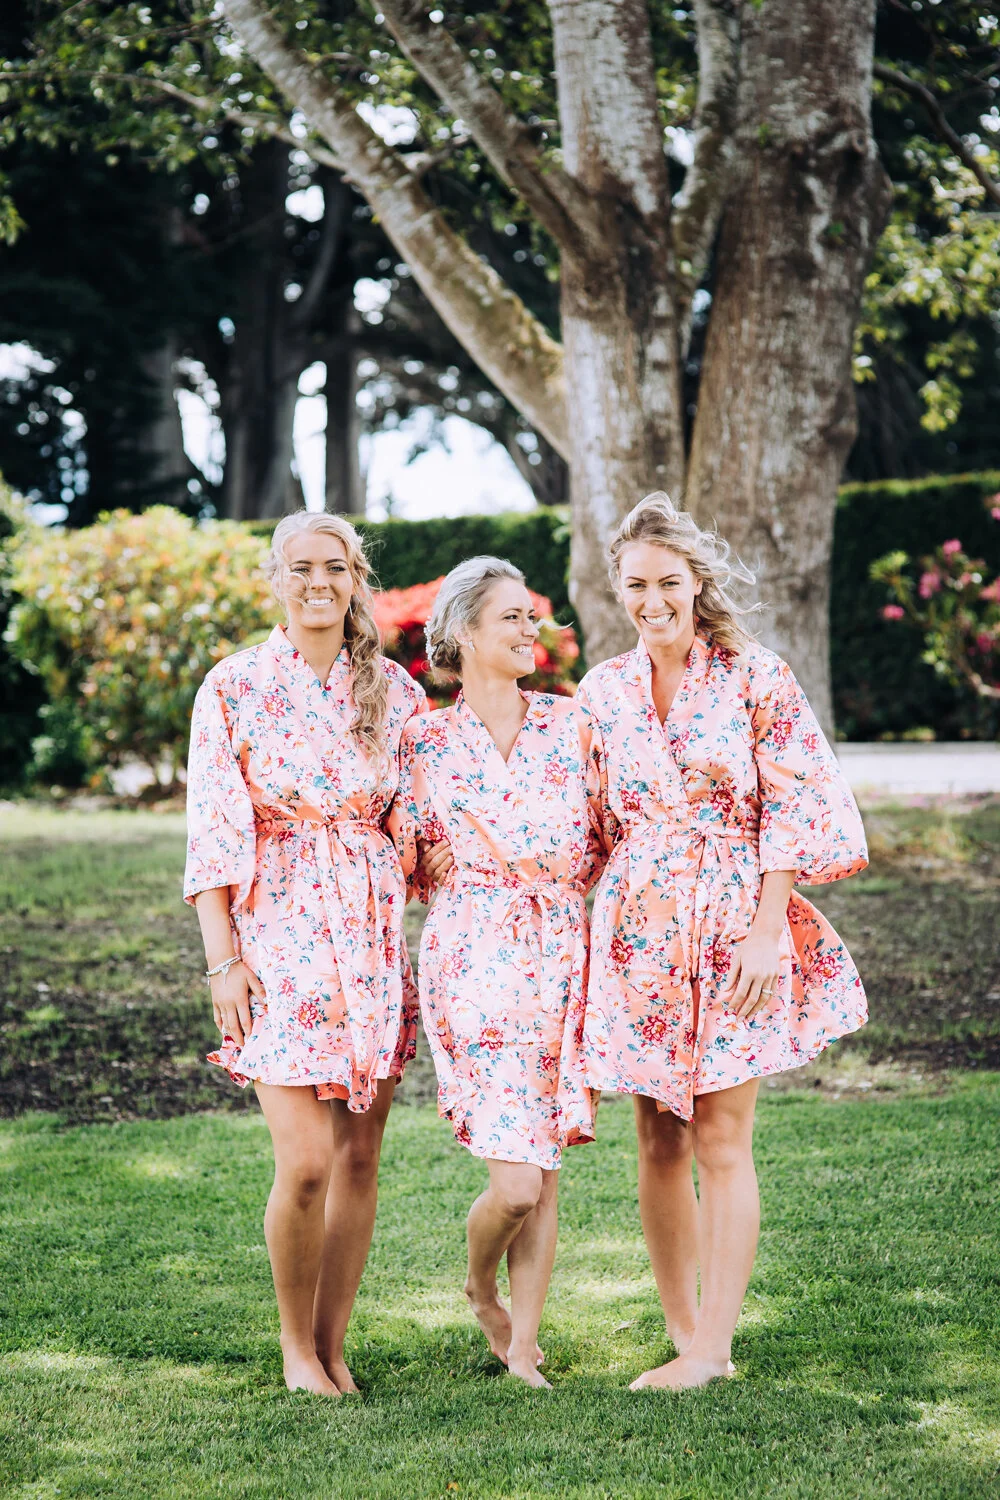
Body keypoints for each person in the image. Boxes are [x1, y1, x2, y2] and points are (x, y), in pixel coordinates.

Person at [577, 492, 868, 1392]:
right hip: (639, 931)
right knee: (658, 1136)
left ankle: (714, 1348)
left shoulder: (755, 677)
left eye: (668, 581)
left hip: (736, 922)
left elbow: (795, 803)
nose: (653, 599)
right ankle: (684, 1332)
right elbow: (587, 825)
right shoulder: (602, 691)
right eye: (637, 585)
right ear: (619, 590)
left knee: (722, 1137)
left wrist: (767, 930)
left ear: (697, 583)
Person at [184, 510, 431, 1398]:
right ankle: (296, 1349)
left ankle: (333, 1347)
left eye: (335, 567)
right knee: (307, 1162)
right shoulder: (233, 686)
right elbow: (214, 836)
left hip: (369, 939)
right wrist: (224, 963)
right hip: (276, 938)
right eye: (302, 568)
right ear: (276, 579)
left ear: (356, 577)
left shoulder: (394, 691)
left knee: (360, 1158)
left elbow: (420, 822)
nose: (319, 582)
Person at [390, 557, 605, 1388]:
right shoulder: (424, 741)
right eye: (510, 617)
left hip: (559, 952)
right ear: (464, 633)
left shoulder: (572, 725)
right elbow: (406, 856)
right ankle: (481, 1287)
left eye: (530, 615)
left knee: (542, 1166)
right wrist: (440, 868)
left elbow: (608, 837)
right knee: (514, 1183)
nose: (528, 629)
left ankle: (524, 1349)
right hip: (471, 953)